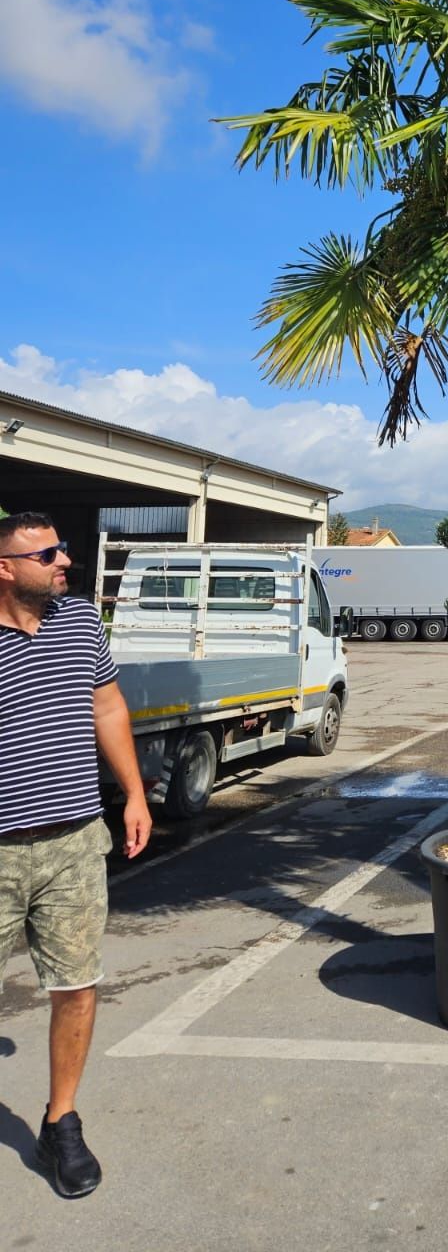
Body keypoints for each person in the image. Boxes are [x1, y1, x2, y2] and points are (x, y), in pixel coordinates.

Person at [0, 512, 151, 1198]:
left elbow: (108, 706)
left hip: (74, 842)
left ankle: (61, 1121)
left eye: (64, 549)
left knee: (77, 983)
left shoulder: (81, 622)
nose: (66, 561)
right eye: (49, 553)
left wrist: (134, 795)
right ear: (6, 567)